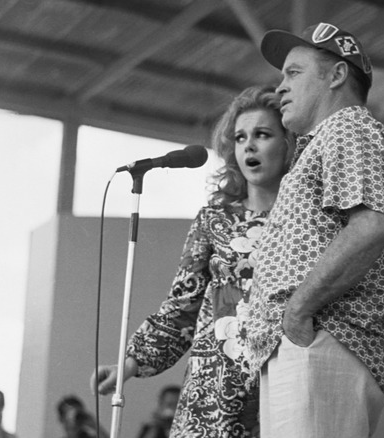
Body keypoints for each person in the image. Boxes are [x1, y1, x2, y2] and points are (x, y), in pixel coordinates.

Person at [93, 85, 294, 437]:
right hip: (213, 391)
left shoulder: (308, 222)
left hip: (281, 380)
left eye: (262, 134)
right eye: (240, 137)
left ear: (289, 144)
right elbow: (181, 307)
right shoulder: (213, 220)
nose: (248, 145)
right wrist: (128, 364)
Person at [245, 22, 384, 438]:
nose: (280, 87)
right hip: (309, 340)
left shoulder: (348, 126)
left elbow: (370, 227)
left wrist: (299, 311)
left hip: (326, 337)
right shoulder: (321, 143)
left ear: (337, 75)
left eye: (294, 73)